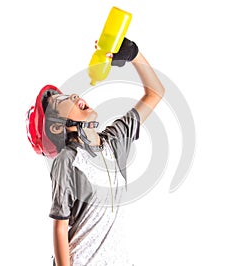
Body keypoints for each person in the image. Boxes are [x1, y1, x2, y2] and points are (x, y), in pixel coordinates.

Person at [26, 38, 165, 266]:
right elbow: (60, 227)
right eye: (60, 101)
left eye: (68, 94)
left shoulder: (113, 141)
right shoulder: (67, 160)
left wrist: (133, 54)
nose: (73, 96)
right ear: (57, 126)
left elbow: (155, 93)